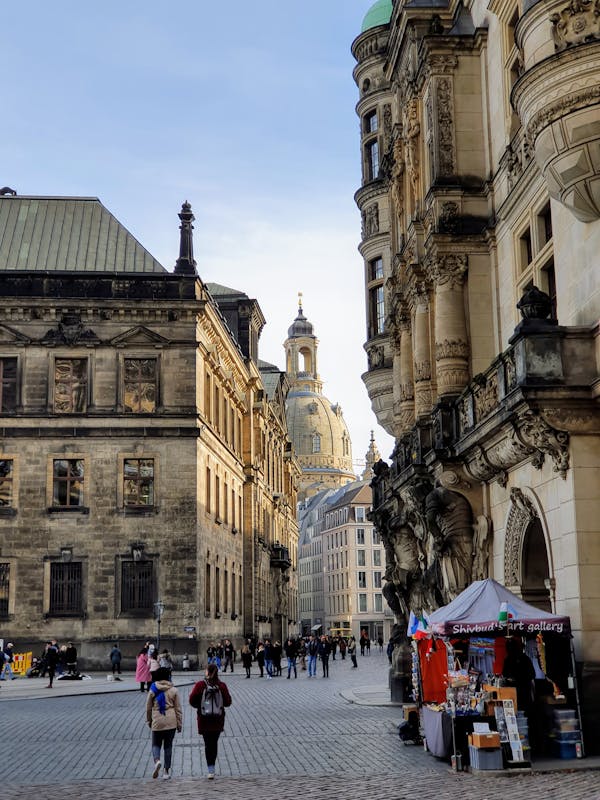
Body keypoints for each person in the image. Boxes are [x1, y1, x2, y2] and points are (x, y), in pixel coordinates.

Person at [189, 662, 232, 780]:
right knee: (214, 743)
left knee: (208, 744)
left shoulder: (200, 685)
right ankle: (212, 767)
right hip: (217, 720)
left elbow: (192, 700)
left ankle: (210, 769)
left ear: (207, 672)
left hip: (204, 720)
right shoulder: (222, 685)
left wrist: (201, 705)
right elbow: (228, 702)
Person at [146, 666, 182, 780]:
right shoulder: (173, 690)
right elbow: (178, 709)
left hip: (157, 720)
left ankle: (157, 761)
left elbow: (148, 708)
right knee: (168, 746)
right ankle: (166, 771)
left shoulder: (153, 689)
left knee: (156, 744)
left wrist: (149, 720)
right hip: (171, 721)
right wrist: (179, 724)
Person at [503, 637, 536, 716]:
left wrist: (517, 679)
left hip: (522, 691)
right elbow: (505, 674)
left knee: (523, 712)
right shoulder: (509, 659)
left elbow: (532, 674)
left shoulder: (524, 659)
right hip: (516, 691)